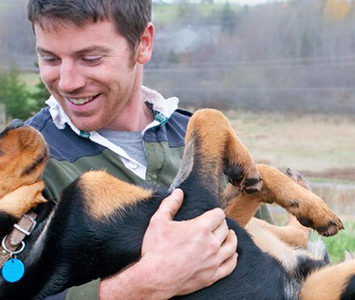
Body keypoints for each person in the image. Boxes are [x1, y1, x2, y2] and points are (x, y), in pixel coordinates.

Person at [25, 1, 271, 299]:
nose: (67, 81)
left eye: (90, 58)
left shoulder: (201, 138)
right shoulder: (22, 162)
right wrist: (141, 285)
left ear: (143, 44)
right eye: (50, 59)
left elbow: (267, 259)